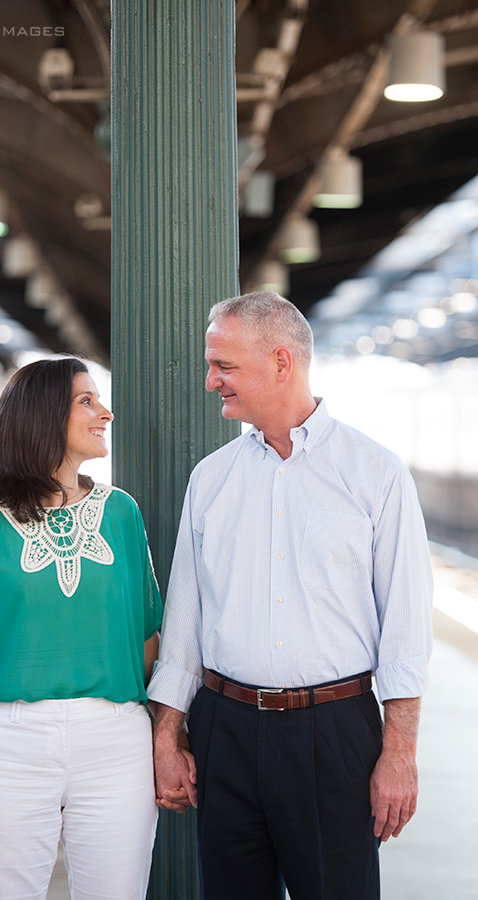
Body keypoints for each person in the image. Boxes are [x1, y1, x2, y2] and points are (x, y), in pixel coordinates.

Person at [147, 292, 433, 900]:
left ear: (281, 362)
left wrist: (399, 752)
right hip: (224, 730)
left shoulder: (376, 474)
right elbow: (184, 622)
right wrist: (167, 736)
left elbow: (406, 628)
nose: (209, 380)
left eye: (223, 365)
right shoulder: (211, 478)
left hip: (335, 735)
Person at [0, 357, 163, 900]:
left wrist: (160, 737)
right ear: (41, 416)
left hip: (116, 741)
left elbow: (148, 637)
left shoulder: (122, 513)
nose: (105, 412)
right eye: (87, 400)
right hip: (7, 744)